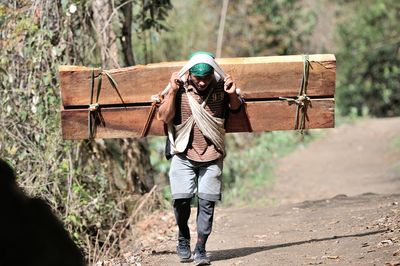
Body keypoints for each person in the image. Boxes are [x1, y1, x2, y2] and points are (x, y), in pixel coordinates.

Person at [157, 51, 242, 265]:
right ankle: (183, 237)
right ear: (190, 75)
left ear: (214, 73)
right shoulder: (179, 88)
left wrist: (231, 93)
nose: (202, 82)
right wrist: (173, 90)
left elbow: (236, 108)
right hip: (183, 153)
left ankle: (201, 248)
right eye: (198, 78)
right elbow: (163, 116)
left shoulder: (222, 87)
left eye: (206, 77)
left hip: (212, 153)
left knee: (207, 202)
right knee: (181, 200)